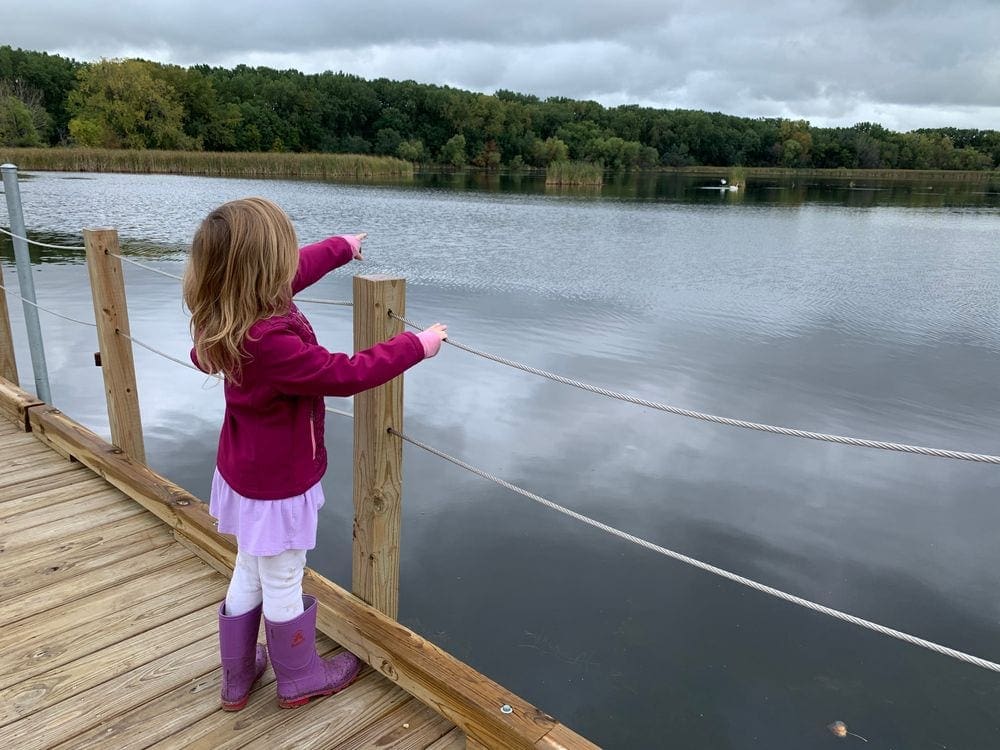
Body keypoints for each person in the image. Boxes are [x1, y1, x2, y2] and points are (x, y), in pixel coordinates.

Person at [183, 197, 446, 711]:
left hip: (243, 470)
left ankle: (237, 678)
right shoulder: (270, 341)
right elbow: (343, 374)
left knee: (250, 568)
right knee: (283, 575)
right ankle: (300, 677)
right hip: (279, 482)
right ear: (264, 271)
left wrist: (340, 250)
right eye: (283, 255)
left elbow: (293, 271)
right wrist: (417, 346)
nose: (291, 265)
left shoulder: (225, 311)